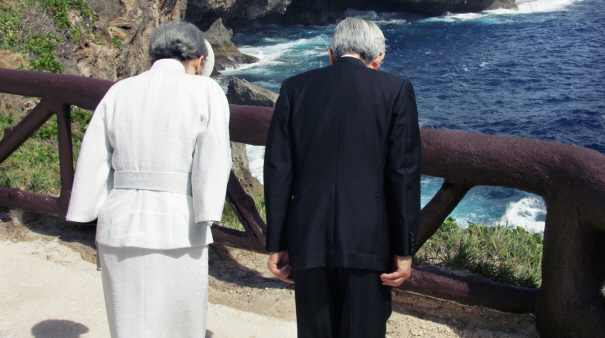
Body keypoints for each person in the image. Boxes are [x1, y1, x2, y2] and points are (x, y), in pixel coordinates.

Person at [66, 21, 232, 338]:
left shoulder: (119, 91)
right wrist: (208, 211)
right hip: (178, 227)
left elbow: (94, 157)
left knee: (127, 325)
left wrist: (85, 208)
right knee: (179, 326)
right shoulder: (205, 89)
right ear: (198, 61)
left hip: (118, 224)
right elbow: (214, 158)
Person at [264, 17, 422, 338]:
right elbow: (402, 176)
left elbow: (278, 171)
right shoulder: (396, 90)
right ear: (377, 59)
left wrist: (277, 243)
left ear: (331, 54)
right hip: (369, 242)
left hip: (309, 238)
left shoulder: (294, 88)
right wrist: (404, 250)